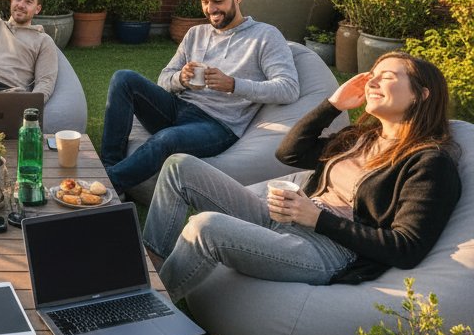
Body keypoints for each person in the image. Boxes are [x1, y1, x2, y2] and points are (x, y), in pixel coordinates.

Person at [143, 52, 461, 302]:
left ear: (421, 94)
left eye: (387, 77)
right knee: (179, 166)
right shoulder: (361, 137)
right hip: (286, 218)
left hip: (327, 251)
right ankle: (150, 269)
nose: (373, 83)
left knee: (205, 227)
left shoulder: (429, 163)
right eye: (372, 76)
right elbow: (290, 153)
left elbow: (406, 247)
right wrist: (333, 104)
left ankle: (151, 310)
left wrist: (316, 219)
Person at [100, 0, 299, 195]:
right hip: (177, 108)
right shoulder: (196, 33)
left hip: (217, 125)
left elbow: (288, 88)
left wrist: (233, 84)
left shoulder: (265, 36)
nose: (210, 9)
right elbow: (164, 80)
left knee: (166, 138)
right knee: (123, 78)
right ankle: (107, 167)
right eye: (205, 2)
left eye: (217, 1)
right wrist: (181, 79)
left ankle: (105, 186)